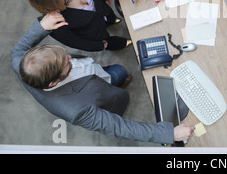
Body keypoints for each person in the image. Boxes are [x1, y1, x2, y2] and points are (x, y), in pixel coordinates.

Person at [10, 12, 195, 144]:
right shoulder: (76, 110)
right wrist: (170, 134)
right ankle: (120, 82)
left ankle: (118, 78)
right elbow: (120, 128)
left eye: (64, 54)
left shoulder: (23, 64)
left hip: (94, 73)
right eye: (66, 64)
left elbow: (16, 50)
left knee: (117, 71)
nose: (70, 58)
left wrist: (42, 26)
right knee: (119, 74)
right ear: (52, 82)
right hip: (102, 88)